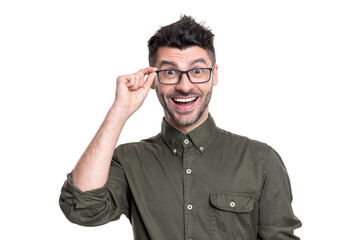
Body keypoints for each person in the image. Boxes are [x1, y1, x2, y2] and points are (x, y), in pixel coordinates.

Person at [59, 15, 301, 240]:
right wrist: (120, 110)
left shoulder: (261, 160)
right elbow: (80, 207)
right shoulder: (128, 160)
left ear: (214, 75)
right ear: (153, 80)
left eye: (197, 71)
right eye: (170, 72)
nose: (185, 86)